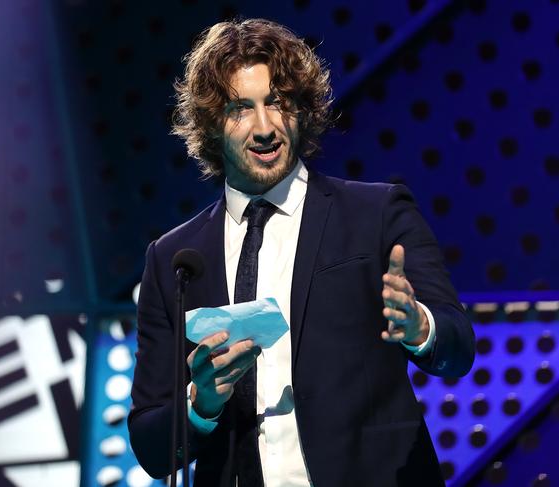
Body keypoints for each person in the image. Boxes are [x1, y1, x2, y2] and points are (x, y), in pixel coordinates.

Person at [128, 18, 474, 487]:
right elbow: (151, 447)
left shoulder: (376, 214)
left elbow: (457, 349)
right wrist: (201, 405)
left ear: (302, 110)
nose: (265, 127)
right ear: (212, 124)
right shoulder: (174, 259)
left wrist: (420, 327)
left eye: (278, 102)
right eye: (240, 109)